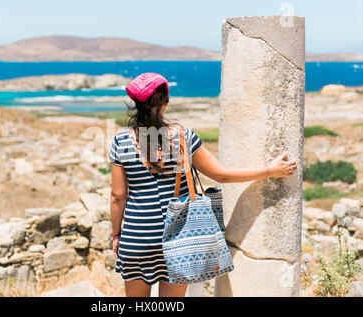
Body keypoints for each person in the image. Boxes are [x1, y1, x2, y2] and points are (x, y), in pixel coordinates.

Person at [108, 72, 298, 297]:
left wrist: (116, 235)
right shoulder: (183, 137)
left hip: (136, 237)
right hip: (178, 239)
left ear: (136, 104)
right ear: (166, 102)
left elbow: (118, 196)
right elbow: (222, 175)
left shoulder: (121, 142)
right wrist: (269, 170)